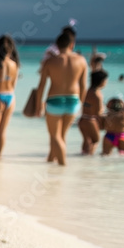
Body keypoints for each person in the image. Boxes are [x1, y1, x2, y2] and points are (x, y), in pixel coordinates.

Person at [36, 30, 88, 166]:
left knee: (55, 136)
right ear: (72, 44)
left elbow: (41, 86)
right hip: (73, 101)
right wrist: (81, 104)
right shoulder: (81, 61)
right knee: (61, 135)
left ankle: (62, 165)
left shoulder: (50, 62)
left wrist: (38, 105)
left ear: (57, 46)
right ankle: (50, 160)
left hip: (54, 101)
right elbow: (83, 86)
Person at [79, 70, 108, 155]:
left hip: (82, 119)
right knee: (95, 141)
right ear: (102, 81)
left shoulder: (87, 91)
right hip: (91, 120)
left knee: (86, 140)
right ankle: (89, 161)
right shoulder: (97, 94)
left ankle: (82, 158)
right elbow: (98, 113)